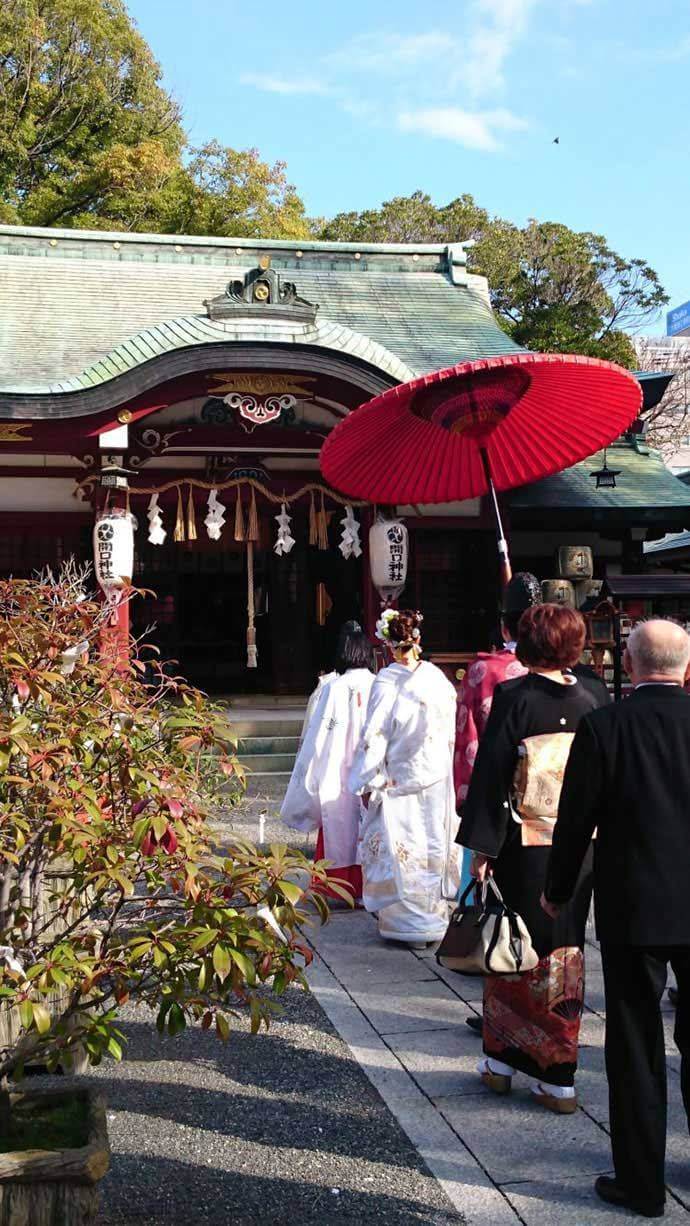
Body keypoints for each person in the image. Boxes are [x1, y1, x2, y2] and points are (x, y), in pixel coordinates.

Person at [543, 619, 690, 1217]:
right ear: (686, 667)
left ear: (628, 666)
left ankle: (641, 1182)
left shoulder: (605, 727)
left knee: (634, 1041)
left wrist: (559, 889)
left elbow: (575, 819)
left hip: (635, 900)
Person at [459, 604, 608, 1111]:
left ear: (526, 642)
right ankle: (558, 1075)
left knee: (510, 945)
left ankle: (502, 1062)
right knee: (563, 953)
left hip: (523, 845)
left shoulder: (515, 697)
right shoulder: (595, 697)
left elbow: (494, 771)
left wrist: (482, 847)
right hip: (579, 845)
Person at [349, 609, 459, 947]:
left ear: (388, 644)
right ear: (418, 640)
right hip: (436, 777)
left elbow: (374, 736)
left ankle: (407, 925)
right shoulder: (438, 680)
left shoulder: (386, 682)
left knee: (405, 847)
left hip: (398, 782)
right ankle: (434, 920)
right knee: (432, 844)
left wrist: (365, 780)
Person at [281, 627, 375, 902]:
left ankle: (338, 889)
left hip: (337, 767)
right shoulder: (380, 684)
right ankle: (374, 888)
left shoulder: (332, 688)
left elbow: (318, 735)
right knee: (370, 824)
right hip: (370, 767)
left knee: (338, 822)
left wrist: (309, 770)